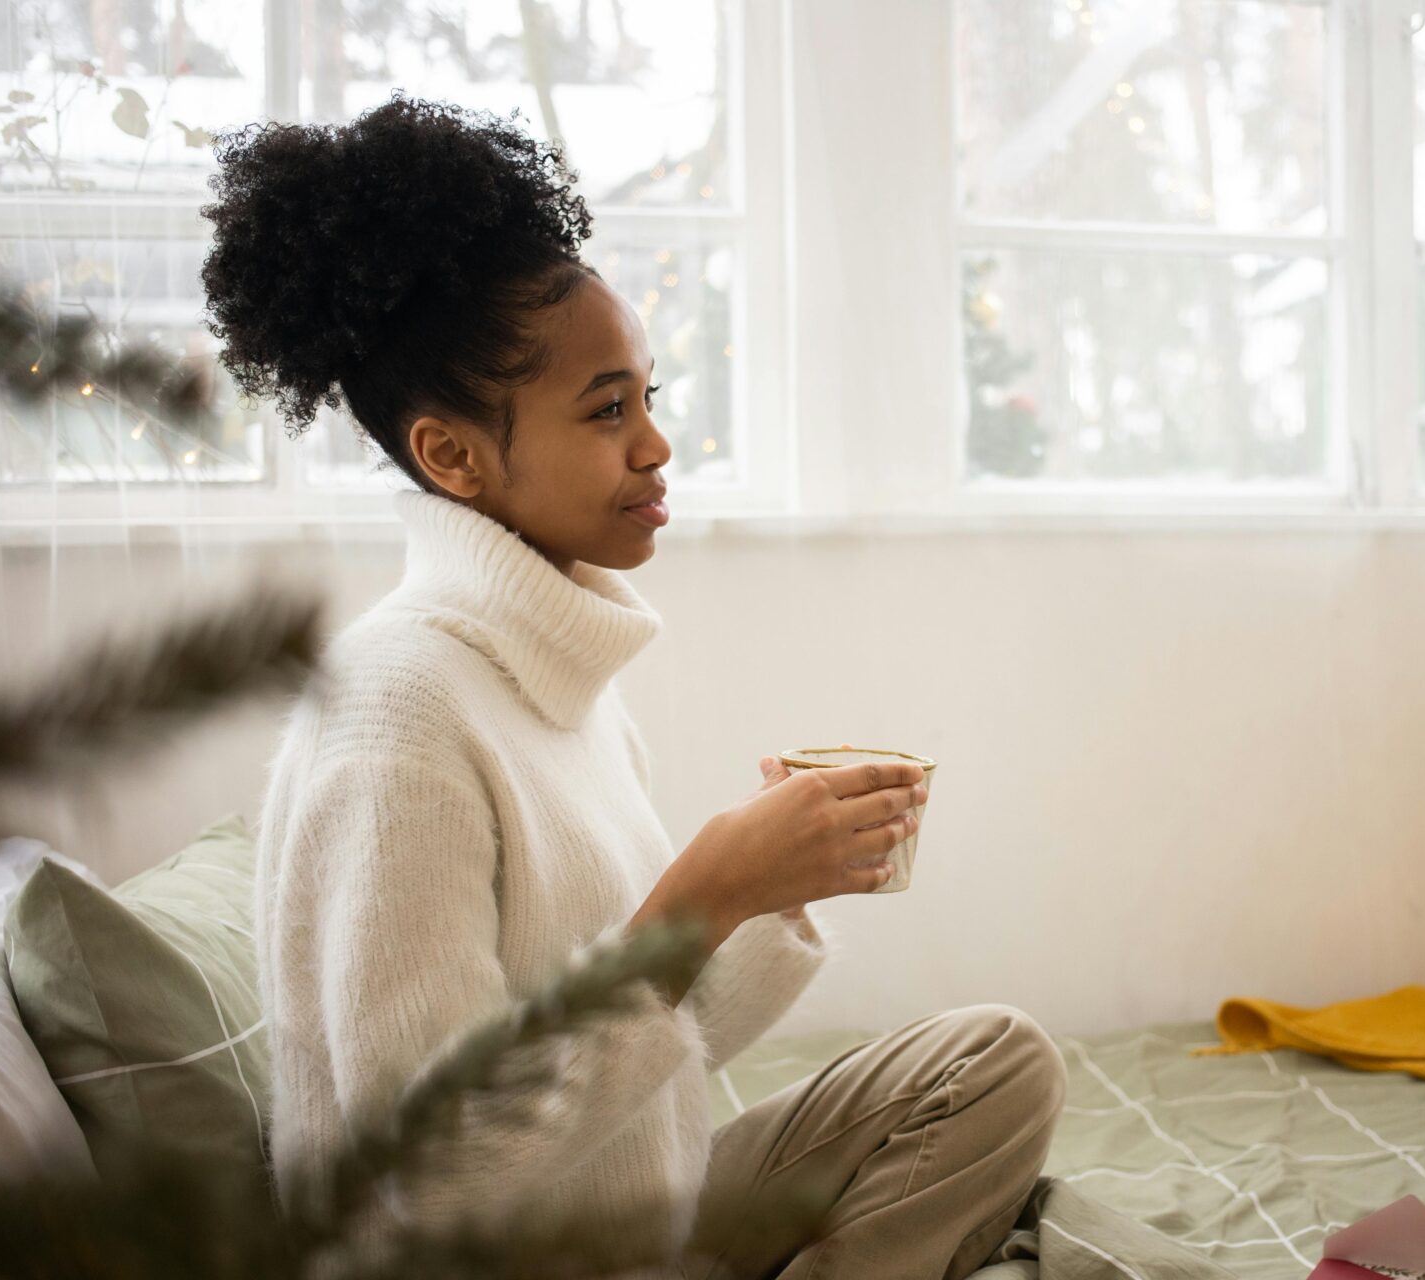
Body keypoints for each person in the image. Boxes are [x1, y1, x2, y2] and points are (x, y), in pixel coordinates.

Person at [208, 95, 1065, 1278]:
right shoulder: (395, 714)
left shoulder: (555, 674)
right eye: (608, 409)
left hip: (627, 1216)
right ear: (451, 453)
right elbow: (429, 1175)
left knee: (995, 1061)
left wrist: (772, 890)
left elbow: (658, 1045)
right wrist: (697, 900)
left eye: (649, 397)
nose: (656, 445)